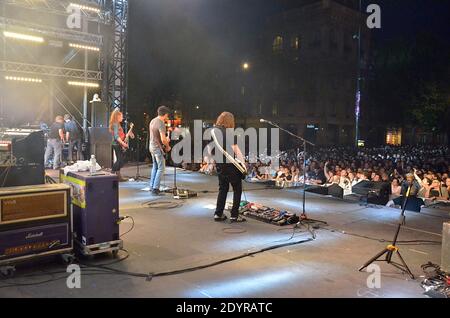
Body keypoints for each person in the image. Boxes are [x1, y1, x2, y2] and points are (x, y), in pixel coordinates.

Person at [212, 112, 246, 223]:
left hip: (220, 165)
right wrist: (243, 164)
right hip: (231, 165)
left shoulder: (214, 131)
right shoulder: (229, 133)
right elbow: (236, 150)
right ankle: (234, 215)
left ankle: (218, 213)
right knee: (237, 189)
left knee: (223, 189)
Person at [149, 106, 171, 195]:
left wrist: (166, 139)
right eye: (167, 115)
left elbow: (155, 136)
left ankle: (152, 186)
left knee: (155, 167)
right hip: (157, 148)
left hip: (152, 146)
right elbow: (163, 140)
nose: (167, 117)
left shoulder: (152, 121)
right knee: (161, 168)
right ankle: (155, 188)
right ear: (165, 114)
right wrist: (167, 145)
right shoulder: (161, 123)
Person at [109, 109, 128, 180]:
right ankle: (112, 173)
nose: (122, 118)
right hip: (116, 144)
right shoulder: (116, 124)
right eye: (121, 117)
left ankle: (118, 176)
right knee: (120, 160)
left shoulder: (117, 124)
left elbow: (120, 135)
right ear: (117, 117)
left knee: (120, 160)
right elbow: (116, 137)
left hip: (117, 144)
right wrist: (123, 144)